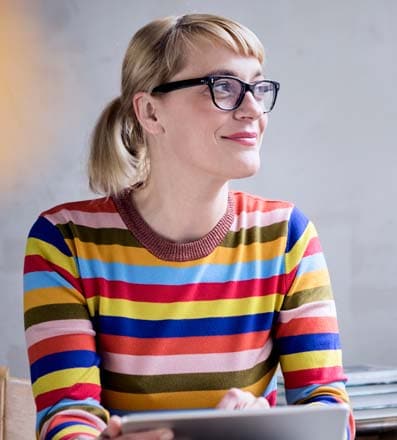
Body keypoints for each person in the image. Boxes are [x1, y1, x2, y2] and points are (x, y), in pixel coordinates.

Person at [23, 13, 355, 440]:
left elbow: (330, 414)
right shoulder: (64, 239)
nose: (252, 109)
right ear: (150, 112)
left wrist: (267, 427)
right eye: (224, 88)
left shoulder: (287, 235)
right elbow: (66, 418)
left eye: (257, 87)